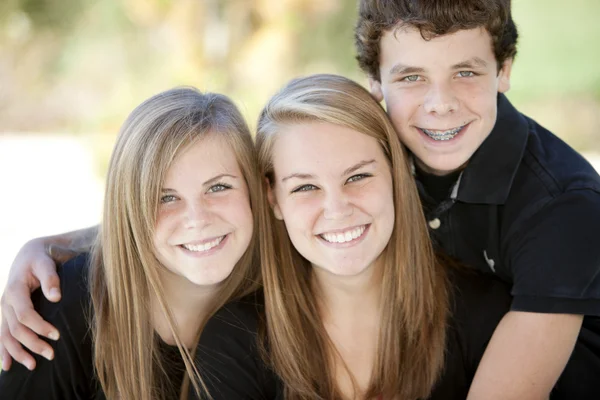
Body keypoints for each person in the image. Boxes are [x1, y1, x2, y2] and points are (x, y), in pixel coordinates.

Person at [193, 74, 511, 399]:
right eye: (305, 187)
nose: (337, 209)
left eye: (358, 176)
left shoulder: (484, 315)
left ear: (396, 175)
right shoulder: (233, 340)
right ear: (273, 198)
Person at [354, 0, 600, 398]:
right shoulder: (363, 169)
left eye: (465, 72)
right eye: (412, 77)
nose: (440, 104)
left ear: (503, 70)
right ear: (376, 81)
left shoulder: (563, 204)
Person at [0, 87, 263, 399]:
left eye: (218, 187)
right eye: (165, 197)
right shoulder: (68, 305)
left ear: (255, 188)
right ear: (130, 208)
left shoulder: (283, 295)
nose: (197, 218)